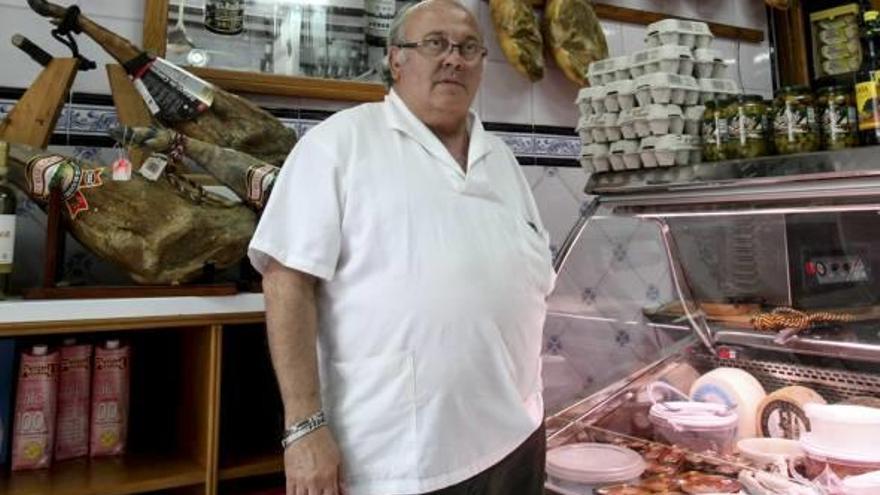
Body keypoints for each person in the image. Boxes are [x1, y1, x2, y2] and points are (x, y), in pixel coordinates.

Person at [247, 0, 556, 494]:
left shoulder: (501, 160)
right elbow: (286, 282)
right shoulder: (339, 144)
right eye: (435, 44)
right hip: (402, 456)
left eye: (468, 48)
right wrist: (303, 430)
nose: (453, 58)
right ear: (396, 60)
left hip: (516, 437)